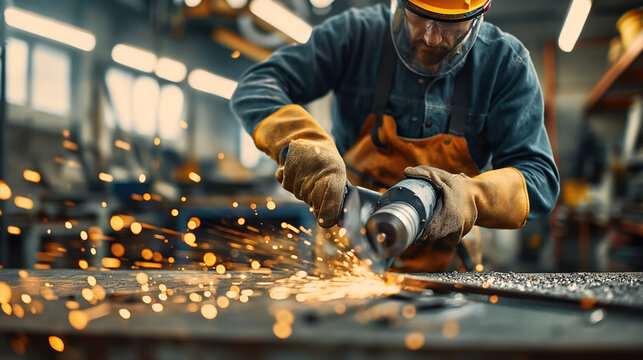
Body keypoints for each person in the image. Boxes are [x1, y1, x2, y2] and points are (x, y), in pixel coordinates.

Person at [230, 0, 559, 272]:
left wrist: (472, 195)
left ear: (480, 12)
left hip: (446, 269)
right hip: (348, 258)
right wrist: (301, 141)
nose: (431, 37)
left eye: (448, 24)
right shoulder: (356, 36)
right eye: (420, 16)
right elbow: (257, 86)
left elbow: (539, 179)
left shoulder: (505, 64)